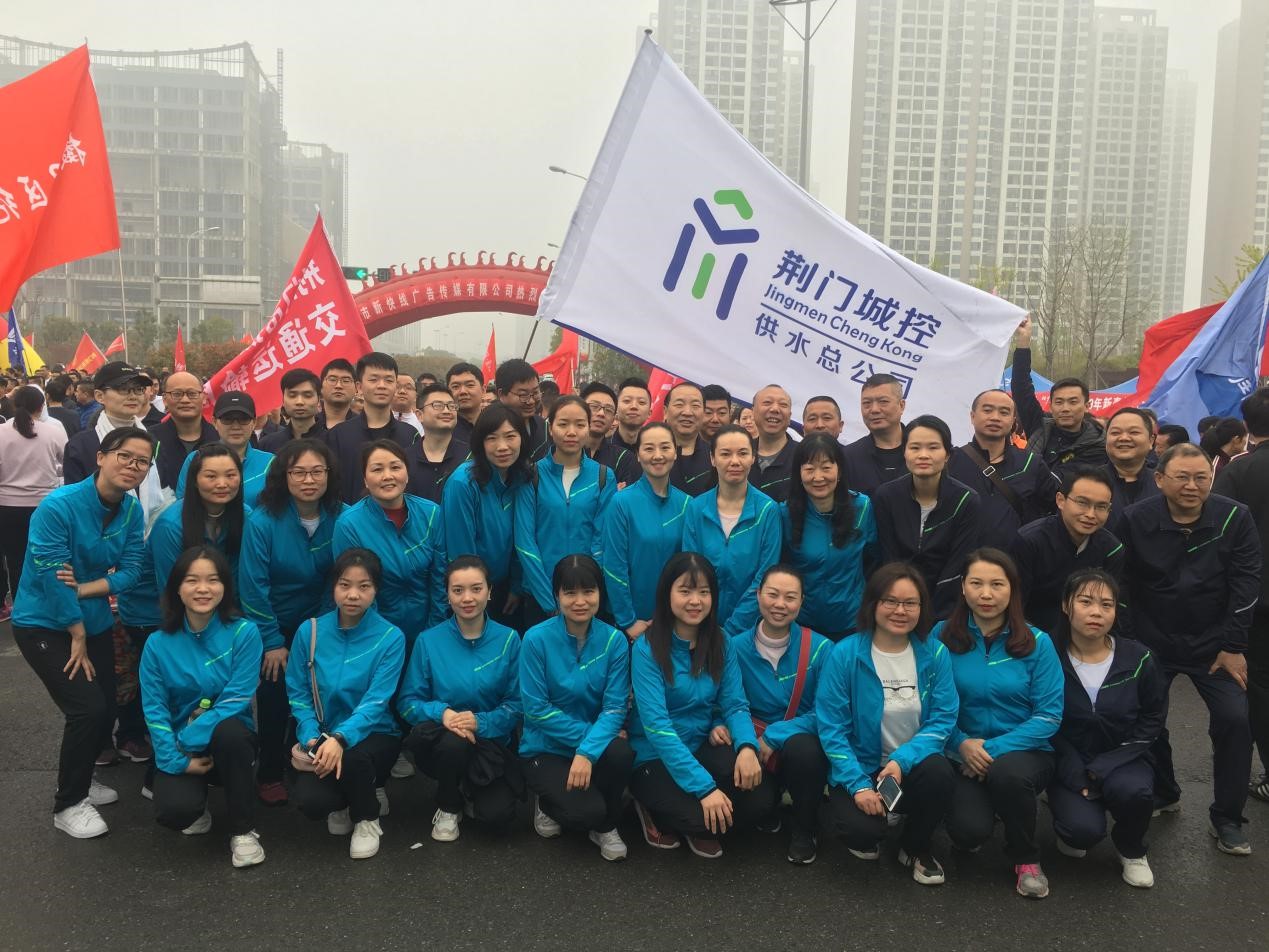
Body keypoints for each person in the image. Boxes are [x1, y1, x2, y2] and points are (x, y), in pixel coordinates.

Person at [1119, 442, 1261, 855]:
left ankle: (1227, 818)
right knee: (1146, 716)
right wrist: (1130, 641)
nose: (1192, 486)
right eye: (1182, 477)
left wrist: (1233, 645)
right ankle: (1164, 791)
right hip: (1153, 641)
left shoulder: (1235, 517)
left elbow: (1247, 582)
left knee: (1235, 719)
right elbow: (1121, 581)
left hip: (1215, 645)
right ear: (1159, 479)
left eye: (1201, 477)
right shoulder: (1135, 519)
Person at [11, 426, 151, 839]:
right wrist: (75, 631)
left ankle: (83, 776)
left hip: (95, 619)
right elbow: (50, 573)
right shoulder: (59, 505)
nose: (133, 466)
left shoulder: (131, 511)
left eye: (142, 461)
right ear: (101, 457)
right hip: (44, 623)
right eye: (125, 456)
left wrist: (85, 588)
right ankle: (68, 803)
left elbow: (131, 570)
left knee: (107, 706)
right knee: (86, 708)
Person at [935, 548, 1063, 899]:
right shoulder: (941, 636)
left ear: (1012, 589)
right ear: (963, 587)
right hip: (961, 751)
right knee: (967, 833)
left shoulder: (1038, 642)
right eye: (976, 583)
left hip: (1025, 750)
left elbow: (1049, 715)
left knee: (1008, 775)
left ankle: (1026, 859)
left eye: (997, 584)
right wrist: (960, 744)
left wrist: (988, 751)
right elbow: (930, 705)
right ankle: (991, 809)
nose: (986, 594)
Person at [818, 563, 958, 884]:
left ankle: (915, 846)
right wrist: (858, 785)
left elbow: (943, 719)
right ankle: (878, 815)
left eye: (910, 603)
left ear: (922, 608)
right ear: (873, 603)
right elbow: (831, 728)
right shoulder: (845, 654)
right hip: (861, 767)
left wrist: (901, 761)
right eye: (890, 601)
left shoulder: (935, 653)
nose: (900, 610)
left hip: (910, 766)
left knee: (939, 772)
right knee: (863, 834)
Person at [628, 553, 769, 858]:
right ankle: (650, 808)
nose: (695, 601)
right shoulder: (647, 648)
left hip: (700, 742)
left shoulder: (721, 641)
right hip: (654, 755)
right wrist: (705, 788)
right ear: (667, 594)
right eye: (685, 591)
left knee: (760, 801)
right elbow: (657, 727)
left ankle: (696, 813)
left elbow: (734, 704)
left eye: (704, 592)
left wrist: (747, 747)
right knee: (702, 820)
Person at [140, 545, 265, 867]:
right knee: (174, 812)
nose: (203, 589)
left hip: (226, 738)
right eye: (192, 580)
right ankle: (197, 807)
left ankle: (243, 831)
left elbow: (237, 696)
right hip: (180, 746)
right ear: (177, 588)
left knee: (231, 734)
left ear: (225, 586)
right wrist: (176, 759)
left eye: (213, 580)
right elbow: (154, 709)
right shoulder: (157, 644)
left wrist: (189, 738)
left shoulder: (244, 632)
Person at [238, 438, 346, 806]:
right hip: (276, 624)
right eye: (298, 472)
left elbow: (339, 577)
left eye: (317, 471)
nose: (308, 480)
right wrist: (272, 641)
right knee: (274, 697)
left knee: (323, 695)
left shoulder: (342, 516)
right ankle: (269, 770)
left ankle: (316, 760)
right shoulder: (263, 521)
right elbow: (253, 586)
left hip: (323, 620)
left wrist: (321, 626)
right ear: (283, 476)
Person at [1048, 569, 1165, 888]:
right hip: (1069, 758)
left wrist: (1102, 768)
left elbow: (1153, 718)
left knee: (1134, 792)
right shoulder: (1048, 656)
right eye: (1085, 602)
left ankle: (1132, 849)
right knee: (1081, 833)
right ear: (1066, 605)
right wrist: (1076, 773)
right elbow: (1043, 720)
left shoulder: (1139, 658)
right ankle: (1072, 825)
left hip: (1123, 757)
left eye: (1106, 604)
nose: (1096, 612)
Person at [287, 548, 406, 860]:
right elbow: (298, 693)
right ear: (333, 587)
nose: (353, 595)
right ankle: (345, 799)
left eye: (364, 586)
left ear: (376, 590)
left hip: (376, 734)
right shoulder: (310, 631)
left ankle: (367, 818)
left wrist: (340, 738)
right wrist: (311, 737)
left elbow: (376, 702)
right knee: (312, 803)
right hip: (321, 733)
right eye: (344, 585)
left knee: (353, 755)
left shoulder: (391, 637)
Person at [399, 556, 524, 842]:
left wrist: (480, 722)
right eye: (458, 590)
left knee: (497, 816)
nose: (467, 598)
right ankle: (448, 803)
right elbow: (407, 702)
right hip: (443, 741)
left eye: (476, 589)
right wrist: (444, 714)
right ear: (447, 595)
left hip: (491, 741)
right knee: (453, 743)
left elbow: (518, 704)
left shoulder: (509, 639)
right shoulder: (428, 640)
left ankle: (469, 788)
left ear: (490, 592)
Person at [519, 555, 633, 862]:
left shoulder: (614, 641)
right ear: (556, 595)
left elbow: (614, 708)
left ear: (600, 594)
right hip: (545, 747)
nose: (580, 601)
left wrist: (587, 752)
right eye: (570, 593)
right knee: (584, 813)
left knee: (621, 753)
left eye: (589, 591)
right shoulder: (535, 639)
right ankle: (546, 801)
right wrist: (588, 742)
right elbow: (536, 709)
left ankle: (607, 827)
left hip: (592, 745)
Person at [732, 565, 832, 864]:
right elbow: (729, 704)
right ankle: (771, 802)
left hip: (798, 741)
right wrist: (744, 741)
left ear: (801, 601)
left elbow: (829, 712)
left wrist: (775, 735)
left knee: (805, 750)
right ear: (758, 595)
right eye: (772, 594)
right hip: (754, 743)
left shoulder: (822, 648)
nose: (780, 604)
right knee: (754, 808)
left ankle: (805, 828)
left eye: (790, 597)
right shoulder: (734, 648)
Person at [1213, 387, 1269, 804]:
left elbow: (1219, 538)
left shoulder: (1238, 471)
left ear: (1246, 426)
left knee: (1259, 688)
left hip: (1252, 601)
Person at [333, 440, 446, 647]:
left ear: (407, 474)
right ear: (365, 480)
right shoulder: (349, 525)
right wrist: (384, 640)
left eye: (395, 467)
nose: (387, 476)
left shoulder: (431, 513)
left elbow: (440, 577)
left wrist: (434, 631)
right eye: (377, 469)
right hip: (376, 635)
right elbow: (355, 588)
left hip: (428, 628)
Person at [515, 396, 616, 626]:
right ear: (550, 428)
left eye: (580, 424)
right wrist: (550, 602)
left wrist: (588, 591)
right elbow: (524, 541)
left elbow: (602, 539)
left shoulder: (603, 476)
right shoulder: (532, 475)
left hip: (586, 598)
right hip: (541, 596)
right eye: (563, 424)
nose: (571, 432)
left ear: (588, 428)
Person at [872, 415, 982, 618]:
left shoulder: (966, 501)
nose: (923, 455)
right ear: (904, 452)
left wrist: (935, 615)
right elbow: (888, 557)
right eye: (914, 447)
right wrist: (904, 605)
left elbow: (958, 564)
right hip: (896, 604)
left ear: (947, 454)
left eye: (933, 447)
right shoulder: (886, 496)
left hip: (947, 610)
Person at [681, 425, 782, 638]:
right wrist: (707, 626)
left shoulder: (767, 510)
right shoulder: (696, 508)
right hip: (701, 624)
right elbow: (692, 569)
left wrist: (732, 629)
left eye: (743, 453)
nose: (735, 461)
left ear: (753, 458)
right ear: (712, 458)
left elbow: (765, 576)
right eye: (725, 454)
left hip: (750, 629)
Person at [442, 403, 532, 627]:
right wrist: (475, 594)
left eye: (510, 436)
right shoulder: (463, 483)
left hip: (506, 588)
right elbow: (461, 551)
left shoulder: (521, 477)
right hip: (471, 591)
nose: (502, 447)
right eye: (492, 438)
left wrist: (516, 586)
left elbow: (522, 537)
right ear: (480, 443)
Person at [781, 434, 878, 640]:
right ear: (798, 473)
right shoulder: (785, 513)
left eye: (826, 467)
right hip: (802, 623)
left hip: (852, 622)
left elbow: (873, 558)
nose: (818, 477)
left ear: (839, 470)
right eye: (809, 469)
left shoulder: (862, 507)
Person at [601, 422, 689, 641]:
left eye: (665, 447)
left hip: (678, 621)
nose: (658, 455)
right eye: (649, 448)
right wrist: (628, 621)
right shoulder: (621, 503)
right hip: (634, 623)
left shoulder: (688, 505)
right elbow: (614, 565)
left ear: (675, 452)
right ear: (638, 455)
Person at [1011, 467, 1124, 635]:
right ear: (1060, 500)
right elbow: (1015, 606)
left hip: (1087, 637)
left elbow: (1109, 606)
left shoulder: (1111, 549)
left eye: (1101, 507)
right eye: (1082, 503)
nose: (1091, 514)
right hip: (1034, 636)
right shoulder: (1030, 541)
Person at [947, 388, 1058, 550]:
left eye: (1004, 412)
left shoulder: (1031, 463)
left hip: (1015, 560)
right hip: (961, 559)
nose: (995, 417)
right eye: (987, 410)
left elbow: (1057, 509)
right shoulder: (951, 461)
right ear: (972, 416)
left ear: (1013, 421)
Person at [63, 362, 166, 525]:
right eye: (123, 389)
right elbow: (74, 502)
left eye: (138, 389)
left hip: (147, 532)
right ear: (99, 396)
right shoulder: (80, 445)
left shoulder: (152, 440)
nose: (133, 396)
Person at [1010, 316, 1108, 480]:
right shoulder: (1040, 427)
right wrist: (1024, 340)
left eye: (1073, 402)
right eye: (1059, 402)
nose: (1065, 408)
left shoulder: (1099, 444)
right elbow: (1021, 388)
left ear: (1087, 406)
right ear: (1051, 406)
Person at [0, 386, 69, 616]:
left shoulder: (1, 432)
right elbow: (66, 462)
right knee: (49, 557)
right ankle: (51, 605)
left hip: (7, 507)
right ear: (42, 406)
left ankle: (23, 608)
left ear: (14, 405)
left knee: (15, 560)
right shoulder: (53, 431)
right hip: (46, 505)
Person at [327, 353, 420, 503]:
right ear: (359, 387)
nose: (381, 385)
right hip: (351, 516)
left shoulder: (410, 435)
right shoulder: (338, 435)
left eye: (388, 380)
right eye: (373, 379)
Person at [176, 392, 274, 508]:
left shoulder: (271, 462)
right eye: (227, 419)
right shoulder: (195, 459)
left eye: (243, 419)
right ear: (214, 422)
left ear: (254, 423)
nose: (236, 426)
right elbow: (182, 505)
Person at [148, 370, 218, 492]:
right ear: (164, 399)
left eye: (192, 393)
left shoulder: (219, 438)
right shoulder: (149, 439)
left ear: (204, 398)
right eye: (177, 394)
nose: (185, 400)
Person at [842, 373, 907, 495]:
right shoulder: (848, 457)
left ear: (901, 405)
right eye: (867, 403)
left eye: (883, 401)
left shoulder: (923, 451)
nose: (874, 410)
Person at [407, 383, 469, 504]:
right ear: (419, 415)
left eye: (451, 406)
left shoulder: (470, 456)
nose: (446, 411)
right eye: (438, 405)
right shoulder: (404, 459)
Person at [1102, 407, 1160, 531]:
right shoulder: (1087, 481)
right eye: (1115, 433)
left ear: (1151, 441)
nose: (1124, 438)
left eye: (1134, 432)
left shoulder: (1163, 484)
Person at [583, 382, 640, 486]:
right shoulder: (562, 451)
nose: (601, 413)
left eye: (608, 410)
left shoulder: (624, 458)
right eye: (594, 406)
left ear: (614, 418)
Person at [749, 384, 799, 503]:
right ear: (753, 411)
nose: (775, 409)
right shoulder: (739, 453)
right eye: (767, 403)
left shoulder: (804, 456)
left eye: (783, 405)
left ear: (790, 416)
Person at [665, 382, 716, 496]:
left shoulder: (715, 457)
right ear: (665, 412)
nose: (687, 412)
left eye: (695, 406)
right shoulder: (647, 454)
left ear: (703, 413)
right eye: (679, 404)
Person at [495, 358, 551, 461]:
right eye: (523, 395)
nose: (531, 401)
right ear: (501, 394)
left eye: (535, 393)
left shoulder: (543, 426)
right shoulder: (488, 428)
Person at [259, 368, 327, 452]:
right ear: (283, 400)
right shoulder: (267, 445)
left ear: (319, 399)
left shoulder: (333, 441)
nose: (299, 402)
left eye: (307, 395)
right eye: (292, 395)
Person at [612, 377, 652, 465]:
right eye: (627, 401)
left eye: (641, 402)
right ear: (616, 408)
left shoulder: (655, 454)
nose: (634, 406)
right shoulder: (602, 448)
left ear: (650, 412)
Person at [446, 361, 485, 444]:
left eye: (470, 385)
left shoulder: (496, 425)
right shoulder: (441, 430)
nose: (463, 391)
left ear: (483, 390)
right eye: (456, 386)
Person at [319, 358, 357, 428]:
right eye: (332, 380)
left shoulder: (365, 426)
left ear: (356, 388)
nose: (338, 386)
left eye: (346, 381)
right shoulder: (308, 425)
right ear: (321, 386)